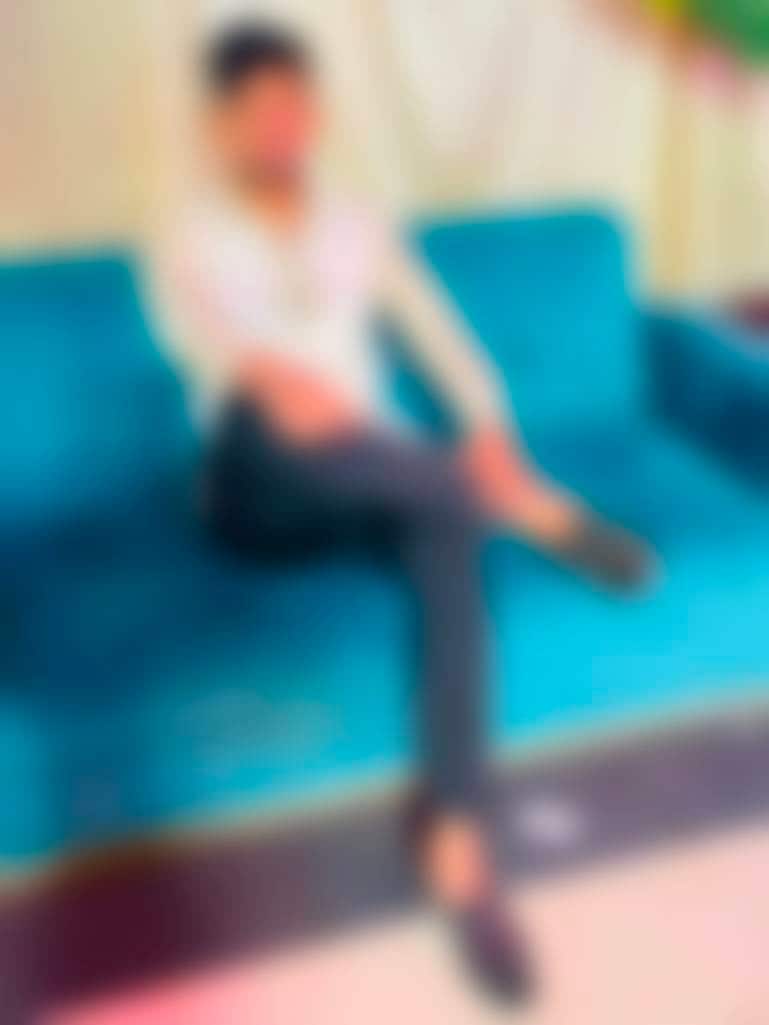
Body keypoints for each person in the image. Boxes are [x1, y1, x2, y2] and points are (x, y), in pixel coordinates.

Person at [150, 22, 653, 1003]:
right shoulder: (184, 234)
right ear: (220, 125)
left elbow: (434, 330)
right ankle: (528, 511)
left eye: (295, 104)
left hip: (373, 478)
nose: (282, 126)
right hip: (255, 488)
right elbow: (207, 346)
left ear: (315, 113)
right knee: (280, 414)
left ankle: (457, 845)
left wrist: (487, 419)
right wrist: (277, 379)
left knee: (446, 533)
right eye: (257, 110)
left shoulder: (355, 221)